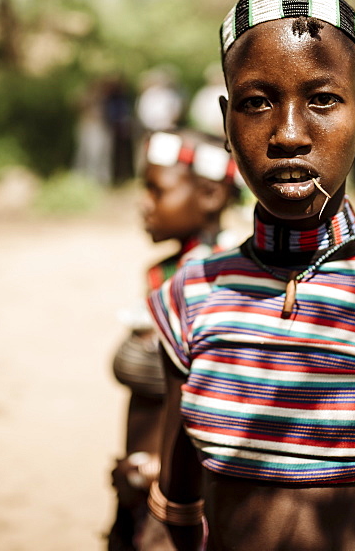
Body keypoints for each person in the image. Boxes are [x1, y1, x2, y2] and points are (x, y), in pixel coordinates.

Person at [148, 0, 355, 551]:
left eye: (323, 100)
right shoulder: (190, 298)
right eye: (256, 103)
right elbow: (178, 511)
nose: (289, 134)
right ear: (227, 123)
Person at [109, 130, 238, 551]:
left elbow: (212, 399)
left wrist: (159, 470)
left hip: (176, 497)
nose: (144, 202)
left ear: (209, 195)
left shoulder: (212, 281)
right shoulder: (170, 273)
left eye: (156, 189)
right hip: (143, 485)